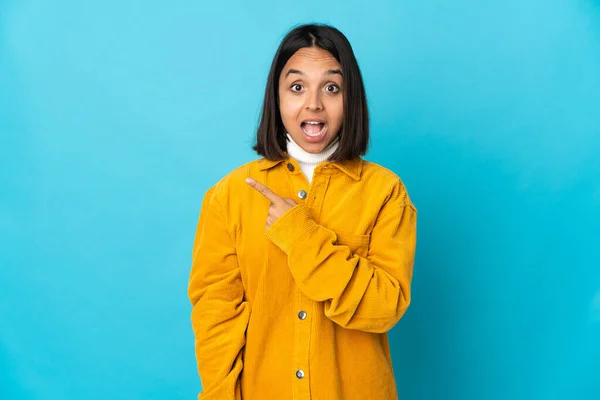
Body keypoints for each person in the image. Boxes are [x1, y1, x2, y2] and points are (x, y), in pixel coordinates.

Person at [188, 23, 418, 400]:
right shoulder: (229, 196)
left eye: (331, 88)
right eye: (297, 87)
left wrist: (301, 236)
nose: (313, 103)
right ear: (276, 98)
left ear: (351, 99)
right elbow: (216, 318)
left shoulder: (385, 193)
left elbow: (385, 306)